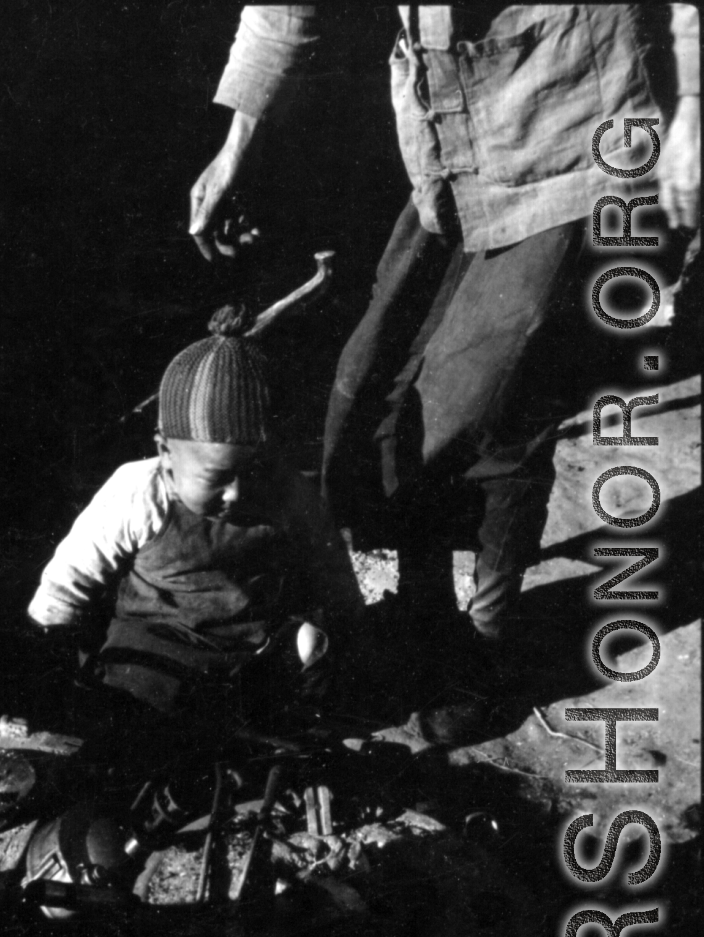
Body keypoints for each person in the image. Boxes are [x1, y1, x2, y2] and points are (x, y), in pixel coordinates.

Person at [188, 5, 700, 739]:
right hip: (452, 151)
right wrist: (237, 141)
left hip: (575, 139)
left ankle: (483, 651)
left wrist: (692, 114)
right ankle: (424, 618)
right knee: (381, 401)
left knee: (491, 412)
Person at [28, 306, 364, 766]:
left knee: (309, 662)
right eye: (217, 478)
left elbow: (331, 568)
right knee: (136, 711)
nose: (237, 493)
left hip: (251, 641)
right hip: (158, 639)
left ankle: (244, 732)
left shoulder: (289, 494)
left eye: (256, 472)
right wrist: (53, 640)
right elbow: (70, 575)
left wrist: (337, 629)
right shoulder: (139, 491)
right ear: (166, 452)